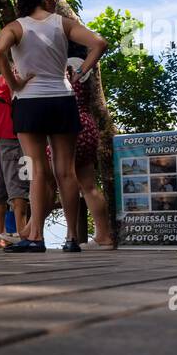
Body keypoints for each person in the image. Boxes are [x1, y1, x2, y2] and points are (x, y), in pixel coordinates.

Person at [0, 0, 107, 253]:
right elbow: (99, 43)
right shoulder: (62, 24)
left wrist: (14, 84)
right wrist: (80, 72)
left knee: (38, 172)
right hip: (61, 98)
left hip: (29, 102)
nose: (54, 0)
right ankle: (70, 238)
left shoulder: (15, 27)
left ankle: (36, 238)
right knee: (66, 172)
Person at [64, 55, 114, 248]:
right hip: (86, 123)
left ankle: (30, 232)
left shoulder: (61, 65)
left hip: (66, 126)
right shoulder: (82, 65)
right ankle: (104, 235)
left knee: (49, 181)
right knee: (89, 185)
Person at [0, 73, 29, 247]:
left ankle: (2, 236)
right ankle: (21, 234)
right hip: (13, 137)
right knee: (19, 189)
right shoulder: (16, 76)